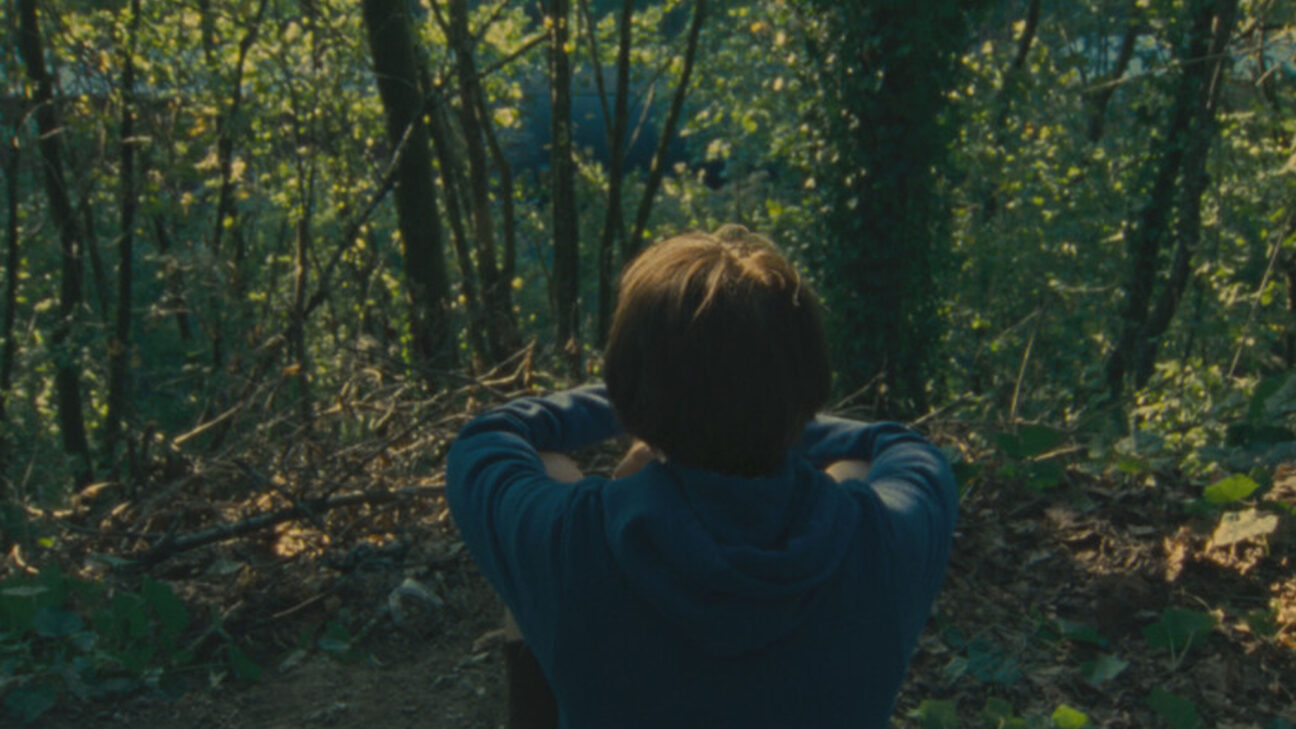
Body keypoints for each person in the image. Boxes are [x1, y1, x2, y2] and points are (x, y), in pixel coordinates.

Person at [446, 225, 958, 729]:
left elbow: (487, 438)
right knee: (855, 469)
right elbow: (906, 450)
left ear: (632, 388)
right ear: (805, 385)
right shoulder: (880, 542)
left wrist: (643, 396)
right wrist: (768, 404)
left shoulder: (574, 542)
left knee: (549, 471)